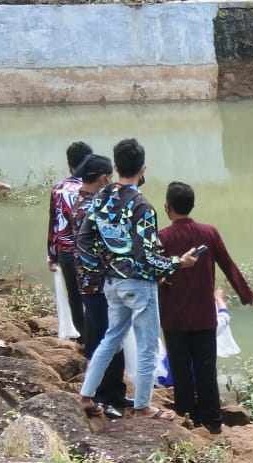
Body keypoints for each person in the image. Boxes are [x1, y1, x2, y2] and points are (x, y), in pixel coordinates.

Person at [75, 138, 198, 420]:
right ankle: (143, 406)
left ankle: (86, 395)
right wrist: (180, 262)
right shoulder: (142, 206)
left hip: (112, 283)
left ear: (115, 166)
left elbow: (83, 238)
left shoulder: (102, 196)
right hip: (139, 285)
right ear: (143, 168)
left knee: (111, 337)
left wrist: (99, 268)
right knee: (147, 344)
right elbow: (149, 258)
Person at [158, 181, 253, 433]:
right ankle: (213, 421)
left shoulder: (162, 236)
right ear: (192, 205)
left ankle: (187, 418)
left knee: (181, 368)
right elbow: (228, 265)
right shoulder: (209, 232)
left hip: (173, 317)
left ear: (167, 207)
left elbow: (154, 273)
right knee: (206, 367)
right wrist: (247, 295)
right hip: (204, 315)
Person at [69, 153, 128, 418]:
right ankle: (105, 397)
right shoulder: (92, 207)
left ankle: (114, 391)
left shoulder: (83, 201)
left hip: (93, 283)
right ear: (104, 176)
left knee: (106, 336)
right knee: (109, 338)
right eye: (110, 176)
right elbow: (100, 249)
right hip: (99, 284)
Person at [47, 141, 93, 337]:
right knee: (92, 296)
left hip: (65, 252)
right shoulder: (92, 190)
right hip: (88, 252)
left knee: (74, 296)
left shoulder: (58, 190)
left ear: (69, 164)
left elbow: (53, 225)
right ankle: (96, 338)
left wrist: (52, 255)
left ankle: (83, 337)